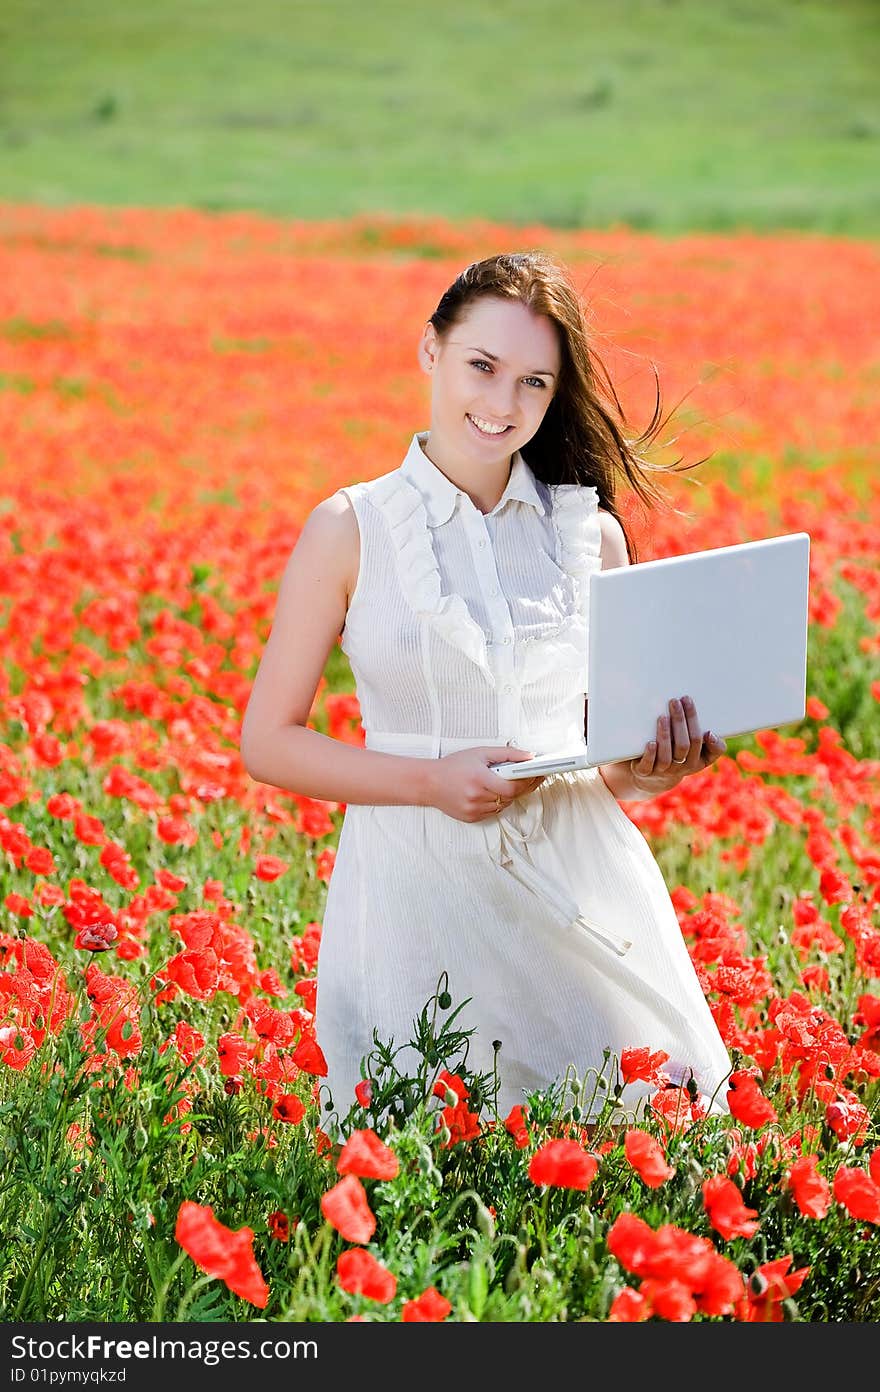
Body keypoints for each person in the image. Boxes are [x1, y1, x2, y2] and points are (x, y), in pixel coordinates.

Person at [240, 250, 734, 1139]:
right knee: (422, 1165)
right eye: (483, 367)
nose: (503, 405)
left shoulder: (590, 537)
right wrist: (429, 782)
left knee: (629, 1148)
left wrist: (650, 775)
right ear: (429, 351)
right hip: (415, 895)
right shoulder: (351, 529)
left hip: (575, 891)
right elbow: (268, 742)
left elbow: (593, 765)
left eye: (534, 383)